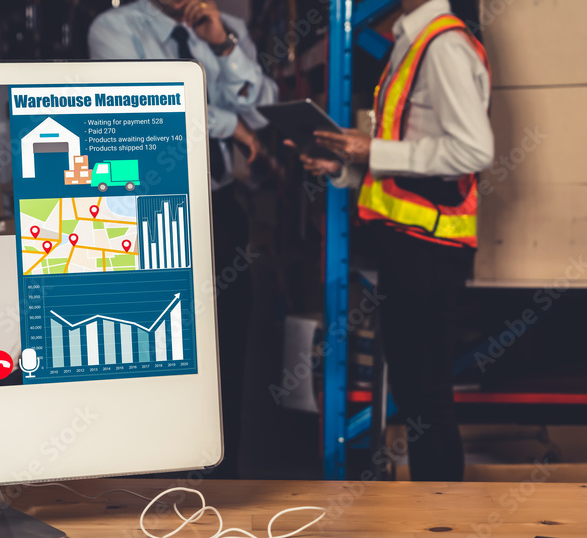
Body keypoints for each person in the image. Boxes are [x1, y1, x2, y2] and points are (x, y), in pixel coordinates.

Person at [299, 0, 493, 481]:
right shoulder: (412, 41)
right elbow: (408, 158)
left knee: (427, 394)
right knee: (414, 392)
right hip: (408, 243)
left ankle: (441, 523)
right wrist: (344, 165)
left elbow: (473, 149)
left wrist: (371, 148)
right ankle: (433, 519)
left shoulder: (443, 45)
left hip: (431, 245)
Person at [89, 0, 277, 478]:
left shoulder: (226, 29)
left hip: (218, 207)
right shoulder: (113, 29)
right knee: (156, 349)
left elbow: (262, 105)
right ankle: (153, 476)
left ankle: (221, 475)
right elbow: (144, 106)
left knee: (227, 345)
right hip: (148, 208)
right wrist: (226, 123)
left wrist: (222, 45)